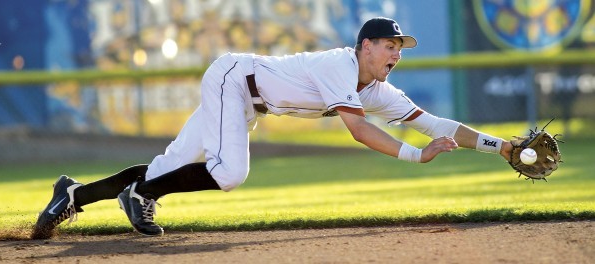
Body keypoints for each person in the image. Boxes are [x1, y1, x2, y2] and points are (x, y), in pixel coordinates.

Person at [32, 17, 513, 239]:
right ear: (364, 46)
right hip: (234, 79)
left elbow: (437, 124)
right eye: (389, 45)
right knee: (230, 173)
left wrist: (501, 147)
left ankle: (72, 194)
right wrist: (414, 155)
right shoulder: (338, 66)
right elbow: (360, 133)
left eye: (400, 48)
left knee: (169, 167)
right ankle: (138, 193)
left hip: (249, 99)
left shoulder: (377, 90)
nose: (395, 54)